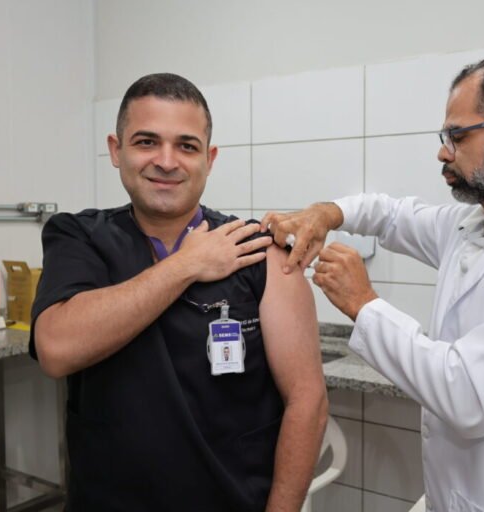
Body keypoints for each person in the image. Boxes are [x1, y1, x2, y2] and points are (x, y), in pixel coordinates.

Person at [263, 52, 484, 511]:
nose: (443, 151)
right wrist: (327, 213)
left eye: (457, 135)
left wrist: (365, 304)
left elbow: (469, 395)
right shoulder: (474, 227)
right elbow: (392, 215)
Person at [30, 73, 327, 512]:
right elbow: (56, 347)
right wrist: (186, 265)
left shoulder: (258, 251)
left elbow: (308, 402)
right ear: (117, 150)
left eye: (186, 146)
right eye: (147, 142)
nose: (166, 161)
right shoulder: (78, 237)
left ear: (209, 158)